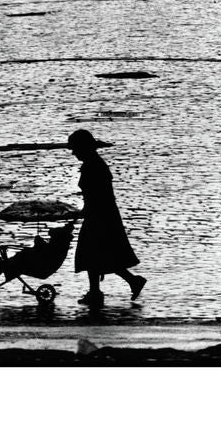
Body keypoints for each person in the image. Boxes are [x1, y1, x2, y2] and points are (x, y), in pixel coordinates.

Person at [68, 129, 146, 307]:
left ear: (83, 147)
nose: (73, 152)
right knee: (100, 254)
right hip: (101, 214)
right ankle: (123, 284)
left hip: (100, 216)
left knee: (93, 253)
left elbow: (97, 195)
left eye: (75, 148)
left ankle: (98, 292)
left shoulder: (93, 166)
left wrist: (87, 211)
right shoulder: (93, 164)